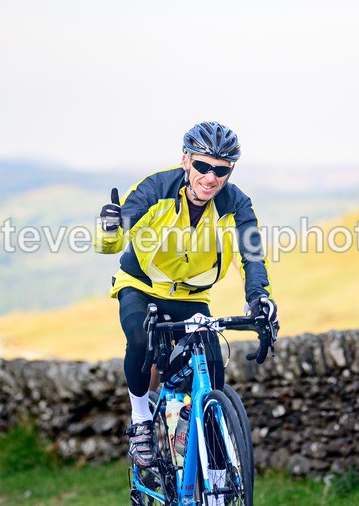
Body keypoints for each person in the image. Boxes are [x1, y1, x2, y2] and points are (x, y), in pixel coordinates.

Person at [95, 121, 279, 468]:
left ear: (230, 171)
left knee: (210, 365)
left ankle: (212, 461)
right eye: (203, 166)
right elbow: (117, 238)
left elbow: (251, 254)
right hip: (141, 285)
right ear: (186, 161)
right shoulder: (157, 188)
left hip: (192, 297)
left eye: (221, 170)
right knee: (139, 338)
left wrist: (259, 298)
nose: (211, 178)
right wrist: (109, 229)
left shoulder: (236, 204)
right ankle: (140, 423)